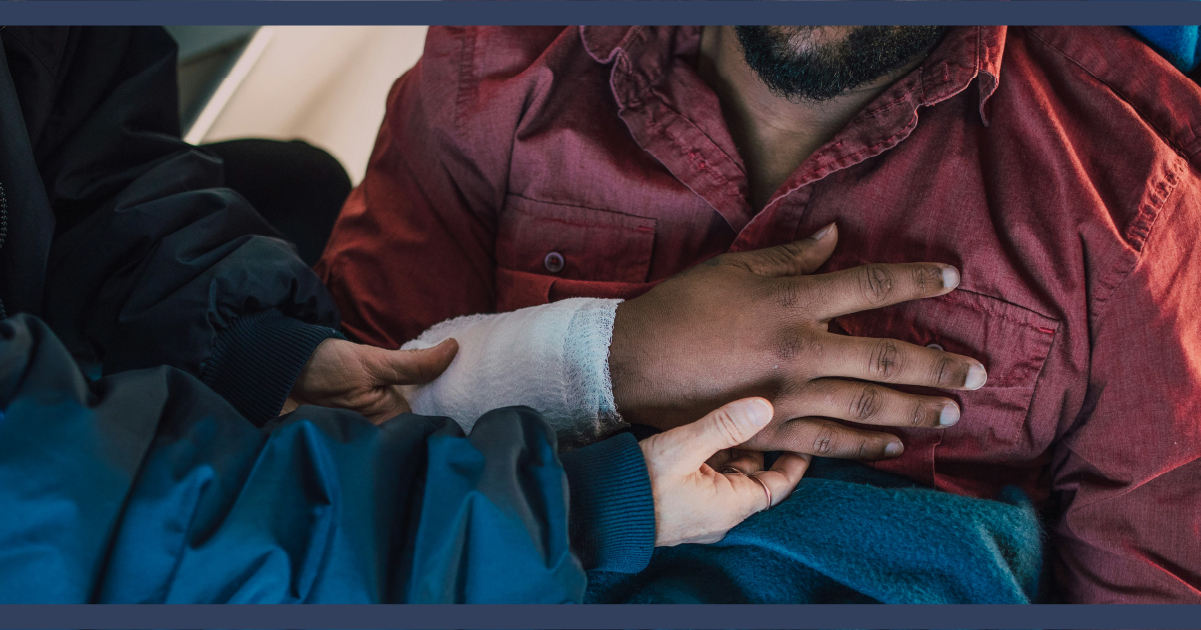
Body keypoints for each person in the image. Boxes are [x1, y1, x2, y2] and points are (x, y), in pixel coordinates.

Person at [317, 25, 1201, 602]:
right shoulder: (497, 65)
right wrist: (610, 364)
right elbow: (338, 448)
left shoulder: (1138, 199)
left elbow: (1148, 586)